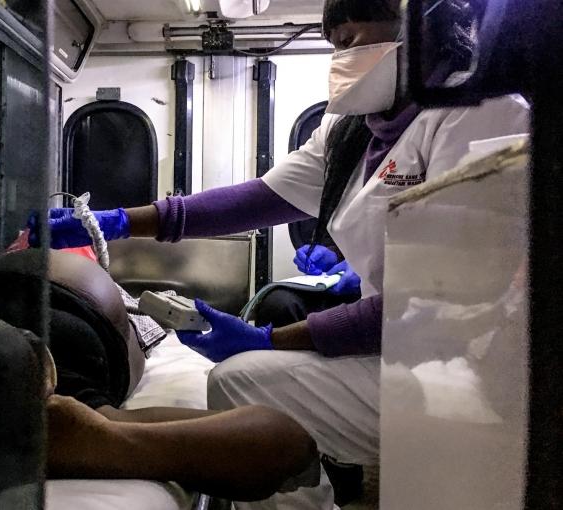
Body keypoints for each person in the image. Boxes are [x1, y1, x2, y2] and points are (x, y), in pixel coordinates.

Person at [36, 0, 529, 508]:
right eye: (335, 44)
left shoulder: (479, 109)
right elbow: (254, 201)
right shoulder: (353, 130)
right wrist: (113, 223)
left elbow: (436, 296)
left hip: (467, 361)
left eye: (352, 40)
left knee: (245, 380)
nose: (341, 58)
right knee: (244, 376)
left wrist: (274, 339)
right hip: (402, 341)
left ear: (420, 27)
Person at [0, 249, 319, 503]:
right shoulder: (84, 395)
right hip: (31, 302)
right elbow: (285, 443)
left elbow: (283, 443)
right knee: (138, 347)